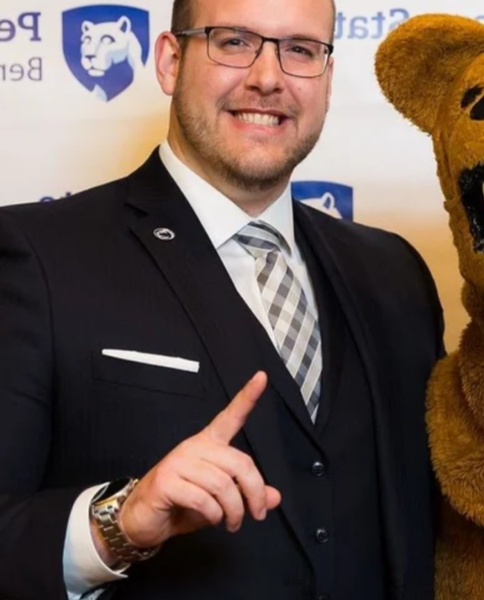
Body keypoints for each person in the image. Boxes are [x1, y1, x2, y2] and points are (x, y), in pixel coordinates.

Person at [0, 0, 444, 598]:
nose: (268, 77)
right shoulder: (36, 255)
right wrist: (119, 523)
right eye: (234, 41)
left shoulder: (395, 272)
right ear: (169, 60)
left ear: (328, 79)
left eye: (301, 50)